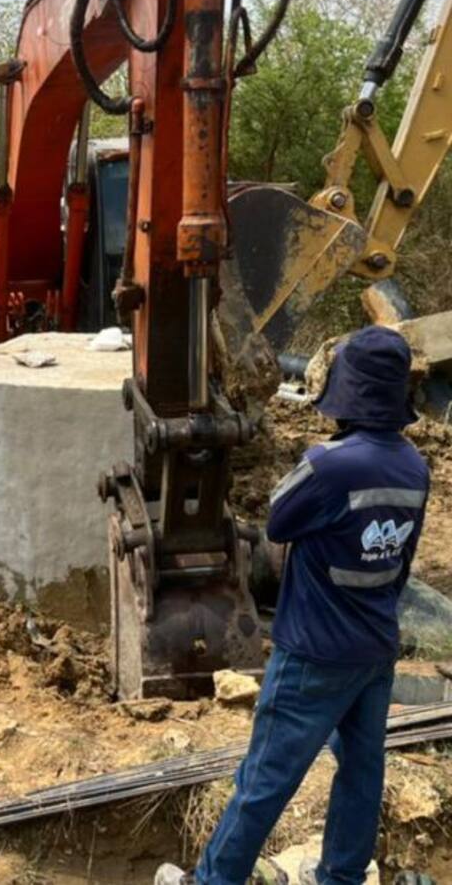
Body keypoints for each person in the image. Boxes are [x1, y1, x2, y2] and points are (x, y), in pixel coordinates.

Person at [156, 326, 429, 885]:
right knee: (361, 770)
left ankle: (214, 879)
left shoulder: (330, 465)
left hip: (312, 652)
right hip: (375, 649)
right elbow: (400, 564)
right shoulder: (415, 470)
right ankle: (342, 876)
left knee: (265, 778)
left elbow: (278, 522)